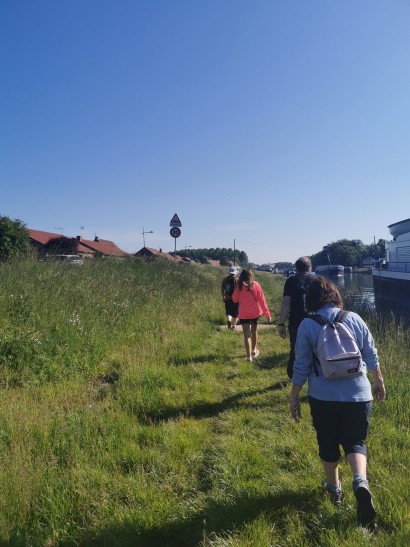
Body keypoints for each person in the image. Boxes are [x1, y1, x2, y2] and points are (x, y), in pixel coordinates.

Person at [289, 276, 386, 527]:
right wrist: (378, 380)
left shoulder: (307, 324)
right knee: (356, 441)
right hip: (358, 394)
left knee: (328, 441)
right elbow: (370, 353)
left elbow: (301, 364)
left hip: (323, 397)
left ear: (311, 300)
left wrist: (294, 396)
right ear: (335, 295)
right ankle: (360, 480)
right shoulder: (354, 318)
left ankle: (334, 490)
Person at [278, 256, 315, 379]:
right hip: (314, 322)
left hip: (295, 322)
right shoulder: (316, 280)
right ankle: (313, 376)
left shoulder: (290, 281)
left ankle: (293, 376)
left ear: (297, 268)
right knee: (314, 349)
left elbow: (286, 304)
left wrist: (281, 324)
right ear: (309, 268)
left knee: (295, 349)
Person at [232, 268, 271, 362]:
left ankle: (248, 357)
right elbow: (262, 301)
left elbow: (234, 300)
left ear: (241, 276)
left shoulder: (239, 286)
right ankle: (254, 350)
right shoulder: (256, 285)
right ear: (251, 276)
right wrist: (267, 314)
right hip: (255, 313)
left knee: (247, 335)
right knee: (254, 332)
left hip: (243, 314)